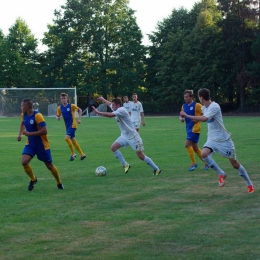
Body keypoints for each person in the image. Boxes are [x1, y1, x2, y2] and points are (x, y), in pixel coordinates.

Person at [180, 88, 254, 193]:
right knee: (204, 154)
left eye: (199, 97)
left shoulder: (214, 106)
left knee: (235, 164)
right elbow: (202, 115)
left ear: (201, 97)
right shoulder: (204, 108)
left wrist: (188, 116)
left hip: (224, 140)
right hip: (212, 139)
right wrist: (193, 118)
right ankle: (221, 173)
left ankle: (249, 184)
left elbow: (205, 118)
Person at [92, 97, 161, 175]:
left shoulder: (121, 110)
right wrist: (103, 99)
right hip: (124, 136)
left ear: (118, 105)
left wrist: (98, 112)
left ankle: (157, 169)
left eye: (114, 105)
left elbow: (111, 115)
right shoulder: (116, 108)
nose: (112, 106)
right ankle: (125, 165)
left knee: (140, 155)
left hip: (133, 137)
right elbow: (110, 104)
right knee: (113, 147)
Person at [17, 98, 64, 191]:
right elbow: (23, 123)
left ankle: (59, 182)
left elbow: (44, 131)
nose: (20, 107)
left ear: (26, 107)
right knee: (24, 162)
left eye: (22, 106)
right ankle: (33, 179)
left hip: (42, 145)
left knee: (50, 166)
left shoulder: (38, 116)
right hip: (30, 144)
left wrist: (29, 133)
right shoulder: (23, 114)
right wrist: (20, 135)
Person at [180, 90, 209, 171]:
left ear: (191, 97)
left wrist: (197, 119)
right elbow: (181, 115)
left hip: (195, 129)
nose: (185, 98)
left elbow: (205, 113)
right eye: (184, 97)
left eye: (187, 97)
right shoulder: (183, 106)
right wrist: (181, 118)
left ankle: (193, 163)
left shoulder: (197, 105)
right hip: (188, 129)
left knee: (187, 145)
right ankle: (207, 162)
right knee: (195, 148)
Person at [56, 93, 86, 161]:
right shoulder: (59, 108)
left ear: (67, 99)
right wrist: (57, 117)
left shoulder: (71, 106)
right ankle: (82, 154)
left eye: (64, 98)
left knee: (66, 138)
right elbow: (57, 115)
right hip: (67, 127)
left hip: (73, 125)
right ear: (61, 100)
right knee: (73, 141)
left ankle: (73, 154)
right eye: (62, 99)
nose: (63, 100)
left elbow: (80, 110)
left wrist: (79, 119)